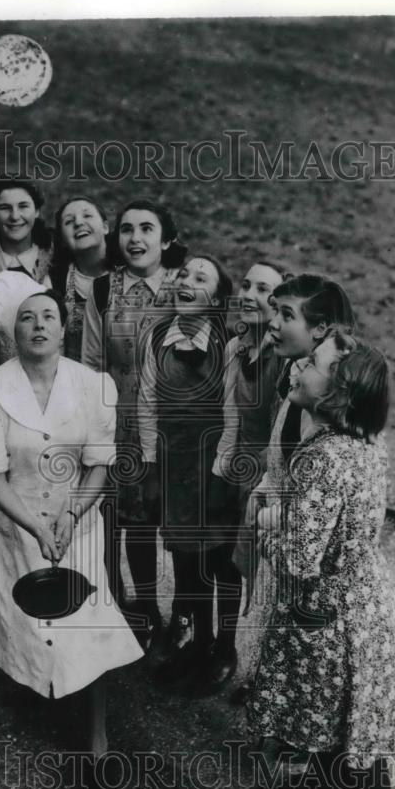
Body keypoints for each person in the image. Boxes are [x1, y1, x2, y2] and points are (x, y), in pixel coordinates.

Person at [247, 332, 395, 789]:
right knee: (349, 737)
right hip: (367, 606)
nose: (298, 366)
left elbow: (299, 559)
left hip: (335, 621)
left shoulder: (321, 455)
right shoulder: (366, 441)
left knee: (352, 747)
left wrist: (267, 526)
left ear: (338, 395)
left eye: (313, 365)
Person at [0, 278, 143, 767]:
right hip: (14, 526)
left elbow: (98, 465)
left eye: (48, 316)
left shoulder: (94, 385)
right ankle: (36, 688)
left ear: (64, 330)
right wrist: (35, 527)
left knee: (88, 630)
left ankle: (97, 743)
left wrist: (69, 515)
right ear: (11, 334)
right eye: (27, 317)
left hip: (76, 525)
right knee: (25, 624)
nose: (38, 324)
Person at [232, 273, 356, 698]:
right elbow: (279, 445)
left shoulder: (329, 396)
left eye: (287, 315)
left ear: (321, 329)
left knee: (306, 642)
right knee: (271, 616)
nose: (273, 322)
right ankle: (267, 687)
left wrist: (276, 512)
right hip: (281, 525)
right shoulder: (298, 371)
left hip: (307, 544)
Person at [81, 199, 186, 644]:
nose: (136, 238)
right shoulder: (103, 291)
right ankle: (144, 609)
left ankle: (186, 618)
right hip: (124, 434)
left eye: (147, 229)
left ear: (167, 240)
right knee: (137, 528)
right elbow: (88, 364)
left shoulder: (188, 287)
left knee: (183, 533)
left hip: (181, 434)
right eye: (126, 229)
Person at [138, 254, 240, 692]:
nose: (187, 281)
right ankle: (197, 644)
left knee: (220, 561)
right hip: (175, 466)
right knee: (187, 562)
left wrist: (223, 474)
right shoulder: (157, 337)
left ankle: (225, 647)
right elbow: (146, 404)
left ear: (216, 298)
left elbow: (235, 414)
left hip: (214, 469)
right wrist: (150, 468)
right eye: (184, 273)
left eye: (202, 278)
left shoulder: (229, 343)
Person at [209, 259, 290, 687]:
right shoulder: (235, 349)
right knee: (223, 561)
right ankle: (224, 647)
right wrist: (223, 467)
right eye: (246, 285)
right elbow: (230, 417)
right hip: (236, 468)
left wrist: (263, 482)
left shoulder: (285, 360)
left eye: (263, 290)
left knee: (264, 575)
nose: (249, 295)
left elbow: (283, 436)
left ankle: (264, 673)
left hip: (268, 478)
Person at [0, 178, 53, 374]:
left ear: (37, 211)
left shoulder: (55, 259)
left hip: (52, 380)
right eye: (5, 208)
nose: (15, 216)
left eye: (23, 206)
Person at [47, 195, 114, 362]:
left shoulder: (130, 272)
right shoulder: (56, 281)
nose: (78, 223)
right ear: (62, 240)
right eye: (69, 221)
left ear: (105, 227)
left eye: (87, 215)